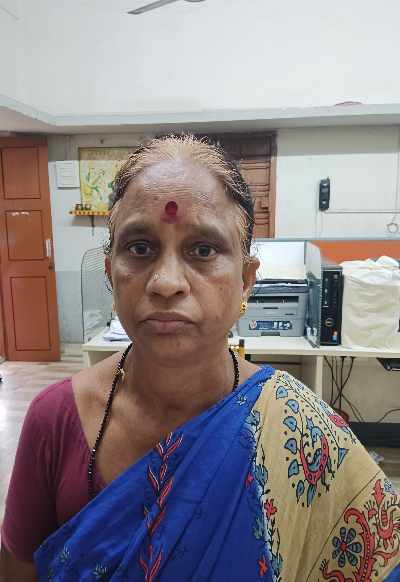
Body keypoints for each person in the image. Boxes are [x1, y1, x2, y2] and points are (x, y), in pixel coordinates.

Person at [1, 135, 399, 581]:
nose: (166, 282)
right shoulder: (55, 420)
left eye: (203, 250)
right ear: (110, 272)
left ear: (247, 280)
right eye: (140, 248)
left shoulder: (298, 428)